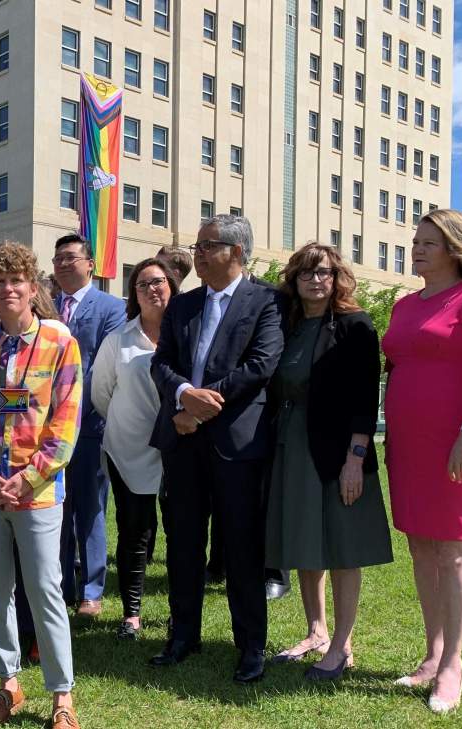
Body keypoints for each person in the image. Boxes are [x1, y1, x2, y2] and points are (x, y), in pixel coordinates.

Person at [381, 209, 462, 713]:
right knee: (420, 548)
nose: (417, 249)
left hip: (459, 440)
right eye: (416, 241)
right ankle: (432, 655)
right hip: (409, 445)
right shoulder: (405, 305)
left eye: (429, 243)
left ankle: (453, 664)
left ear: (457, 247)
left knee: (453, 550)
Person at [148, 214, 283, 684]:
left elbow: (261, 365)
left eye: (207, 245)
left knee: (242, 548)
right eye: (198, 244)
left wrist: (203, 407)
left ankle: (250, 646)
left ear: (236, 253)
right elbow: (161, 363)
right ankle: (182, 636)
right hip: (182, 439)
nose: (197, 253)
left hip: (237, 445)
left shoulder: (266, 301)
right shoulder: (182, 306)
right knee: (184, 543)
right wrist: (185, 396)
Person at [0, 241, 82, 729]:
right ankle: (8, 684)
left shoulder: (60, 343)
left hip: (39, 494)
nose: (8, 288)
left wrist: (25, 480)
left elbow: (65, 427)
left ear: (33, 288)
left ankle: (62, 695)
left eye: (16, 280)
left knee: (45, 590)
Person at [265, 243, 393, 679]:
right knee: (304, 543)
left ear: (338, 277)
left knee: (341, 547)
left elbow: (363, 398)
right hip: (291, 445)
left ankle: (342, 645)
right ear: (294, 280)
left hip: (338, 451)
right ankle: (316, 631)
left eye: (324, 272)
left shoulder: (356, 326)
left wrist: (355, 458)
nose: (315, 280)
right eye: (306, 273)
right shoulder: (288, 324)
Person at [90, 258, 178, 640]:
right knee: (134, 532)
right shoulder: (119, 340)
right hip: (128, 450)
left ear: (172, 286)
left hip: (179, 448)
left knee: (181, 533)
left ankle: (180, 611)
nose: (151, 289)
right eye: (142, 285)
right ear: (133, 294)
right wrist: (132, 421)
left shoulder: (186, 335)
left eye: (158, 282)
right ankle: (132, 614)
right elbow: (101, 393)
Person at [51, 234, 127, 616]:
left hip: (90, 424)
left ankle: (92, 590)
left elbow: (105, 365)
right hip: (44, 430)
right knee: (54, 510)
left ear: (90, 264)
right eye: (58, 258)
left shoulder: (112, 307)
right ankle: (60, 585)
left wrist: (71, 401)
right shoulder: (44, 307)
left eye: (71, 257)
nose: (63, 264)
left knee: (90, 507)